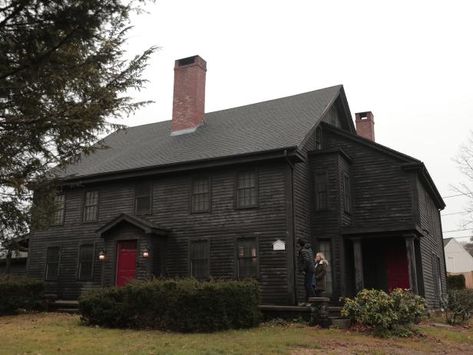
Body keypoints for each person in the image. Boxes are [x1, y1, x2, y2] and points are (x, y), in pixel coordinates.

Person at [297, 238, 315, 303]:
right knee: (307, 284)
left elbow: (307, 261)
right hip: (311, 268)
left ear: (300, 244)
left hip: (309, 269)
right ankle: (307, 301)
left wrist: (303, 269)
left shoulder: (303, 250)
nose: (297, 246)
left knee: (308, 285)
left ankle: (314, 300)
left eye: (298, 244)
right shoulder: (308, 249)